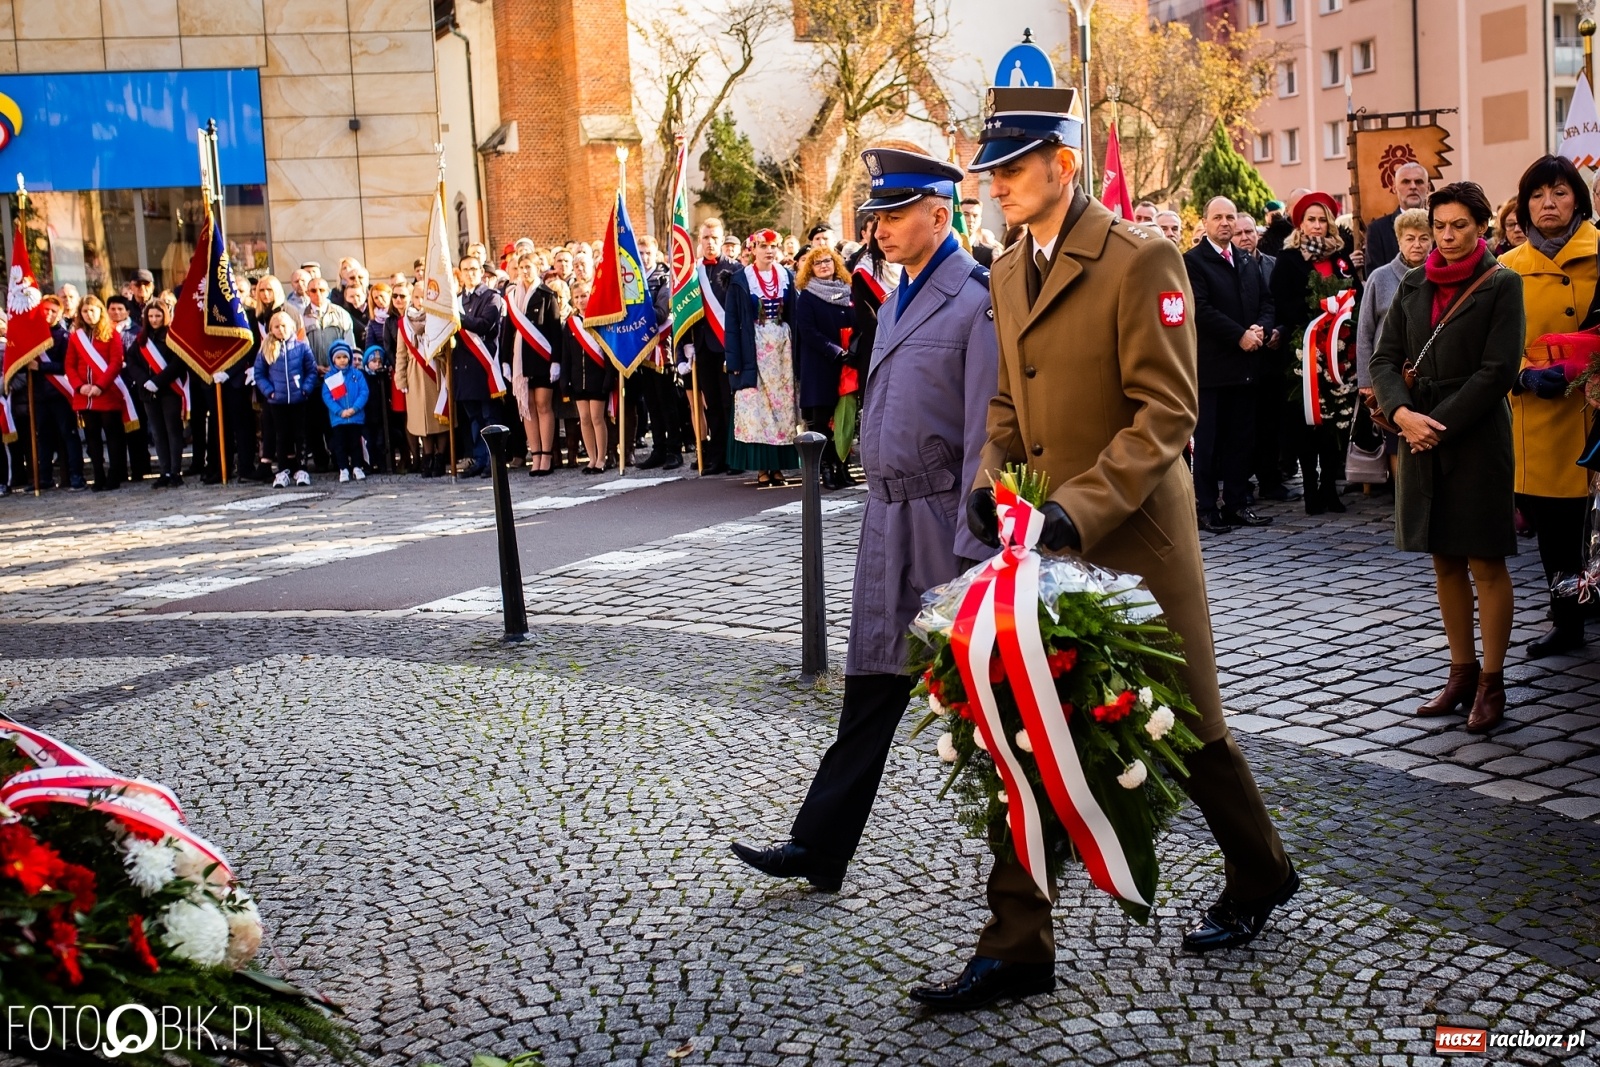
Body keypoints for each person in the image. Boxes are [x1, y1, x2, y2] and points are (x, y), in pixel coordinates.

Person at [936, 84, 1296, 1011]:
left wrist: (1076, 509)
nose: (998, 186)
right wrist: (991, 486)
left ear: (1063, 166)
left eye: (1013, 169)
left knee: (1192, 727)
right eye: (991, 173)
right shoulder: (1009, 269)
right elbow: (1009, 407)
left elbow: (1167, 412)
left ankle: (1259, 871)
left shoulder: (1141, 257)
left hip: (1135, 533)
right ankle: (1018, 941)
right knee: (1034, 730)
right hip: (1047, 543)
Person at [731, 145, 998, 911]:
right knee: (871, 688)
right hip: (887, 519)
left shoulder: (974, 298)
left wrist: (972, 550)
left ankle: (1044, 849)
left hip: (944, 524)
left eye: (893, 214)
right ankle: (819, 845)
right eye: (874, 215)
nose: (877, 228)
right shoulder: (899, 291)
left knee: (990, 701)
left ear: (938, 215)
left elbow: (984, 429)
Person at [1370, 182, 1524, 731]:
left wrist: (1438, 425)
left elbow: (1499, 370)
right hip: (1418, 434)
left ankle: (1491, 681)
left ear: (1482, 226)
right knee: (1443, 558)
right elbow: (1385, 359)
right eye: (1440, 226)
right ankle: (1460, 672)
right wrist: (1405, 415)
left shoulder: (1503, 284)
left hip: (1476, 436)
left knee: (1484, 558)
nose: (1449, 236)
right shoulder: (1412, 283)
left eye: (1460, 225)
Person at [1501, 155, 1598, 659]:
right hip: (1538, 415)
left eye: (1559, 192)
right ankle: (1567, 619)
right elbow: (1491, 342)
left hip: (1595, 409)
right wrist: (1521, 371)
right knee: (1557, 531)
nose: (1548, 204)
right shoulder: (1509, 266)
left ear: (1577, 198)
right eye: (1537, 195)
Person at [1184, 196, 1276, 532]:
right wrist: (1239, 334)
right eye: (1218, 217)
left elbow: (1266, 300)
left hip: (1245, 367)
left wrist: (1261, 328)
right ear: (1205, 223)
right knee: (1207, 444)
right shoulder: (1193, 261)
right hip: (1211, 369)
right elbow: (1201, 309)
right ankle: (1206, 508)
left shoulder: (1246, 260)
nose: (1225, 223)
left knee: (1241, 440)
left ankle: (1237, 503)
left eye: (1230, 217)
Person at [1270, 190, 1360, 515]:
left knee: (1335, 419)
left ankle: (1329, 489)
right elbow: (1282, 301)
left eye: (1323, 220)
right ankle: (1310, 488)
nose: (1318, 226)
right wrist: (1320, 313)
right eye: (1312, 220)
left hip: (1338, 352)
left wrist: (1341, 317)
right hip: (1304, 352)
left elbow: (1355, 293)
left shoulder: (1340, 258)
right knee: (1308, 421)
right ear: (1300, 223)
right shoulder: (1288, 259)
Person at [1356, 207, 1432, 479]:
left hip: (1428, 373)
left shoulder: (1438, 275)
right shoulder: (1380, 276)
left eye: (1424, 238)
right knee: (1395, 440)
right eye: (1410, 238)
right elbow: (1365, 331)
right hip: (1389, 372)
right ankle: (1399, 498)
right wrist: (1365, 379)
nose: (1417, 244)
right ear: (1399, 240)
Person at [723, 229, 801, 486]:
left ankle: (778, 466)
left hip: (782, 352)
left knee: (781, 408)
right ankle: (761, 467)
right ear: (752, 249)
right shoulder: (740, 280)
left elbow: (794, 316)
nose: (769, 250)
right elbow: (732, 324)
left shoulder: (786, 276)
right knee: (757, 408)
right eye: (764, 245)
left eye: (773, 246)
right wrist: (733, 362)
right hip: (753, 349)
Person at [792, 246, 855, 489]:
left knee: (845, 420)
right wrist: (835, 351)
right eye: (817, 263)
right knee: (822, 423)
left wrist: (853, 350)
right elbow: (808, 332)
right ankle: (827, 469)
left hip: (845, 366)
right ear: (810, 269)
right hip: (820, 366)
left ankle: (843, 467)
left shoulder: (847, 291)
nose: (824, 265)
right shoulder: (807, 296)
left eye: (828, 261)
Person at [684, 219, 740, 475]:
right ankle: (716, 456)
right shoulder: (692, 273)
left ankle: (734, 456)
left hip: (727, 347)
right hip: (703, 347)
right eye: (706, 238)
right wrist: (686, 345)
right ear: (699, 240)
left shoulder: (735, 270)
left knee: (730, 404)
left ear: (722, 239)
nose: (710, 243)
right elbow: (684, 311)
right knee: (713, 405)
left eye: (715, 238)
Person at [502, 250, 562, 476]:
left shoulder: (547, 295)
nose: (524, 272)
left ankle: (546, 456)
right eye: (521, 267)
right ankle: (535, 454)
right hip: (520, 361)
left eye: (529, 267)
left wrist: (556, 360)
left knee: (542, 405)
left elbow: (555, 330)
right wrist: (505, 361)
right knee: (527, 408)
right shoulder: (513, 295)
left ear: (537, 268)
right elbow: (508, 330)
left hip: (542, 359)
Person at [65, 296, 133, 492]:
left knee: (112, 436)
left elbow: (115, 363)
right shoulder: (75, 337)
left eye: (92, 311)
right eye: (85, 311)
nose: (89, 315)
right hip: (84, 395)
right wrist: (80, 386)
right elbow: (69, 365)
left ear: (100, 312)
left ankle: (115, 474)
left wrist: (100, 386)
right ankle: (98, 475)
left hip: (106, 392)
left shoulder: (111, 334)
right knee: (92, 437)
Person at [452, 255, 507, 478]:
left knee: (488, 417)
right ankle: (479, 459)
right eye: (465, 270)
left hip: (484, 366)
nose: (470, 273)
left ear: (481, 272)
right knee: (473, 418)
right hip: (462, 368)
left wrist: (459, 318)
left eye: (474, 269)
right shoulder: (456, 300)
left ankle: (493, 462)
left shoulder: (491, 297)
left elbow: (485, 325)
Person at [253, 308, 319, 487]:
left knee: (300, 435)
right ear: (271, 329)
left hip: (299, 399)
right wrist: (270, 391)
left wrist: (305, 389)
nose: (280, 329)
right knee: (282, 435)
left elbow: (311, 370)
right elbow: (259, 373)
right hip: (278, 401)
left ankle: (302, 468)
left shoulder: (301, 347)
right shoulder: (266, 349)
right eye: (276, 326)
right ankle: (282, 470)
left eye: (283, 326)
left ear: (291, 327)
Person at [394, 283, 449, 477]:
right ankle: (427, 457)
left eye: (425, 297)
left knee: (440, 419)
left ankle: (440, 458)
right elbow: (401, 354)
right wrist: (400, 379)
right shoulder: (404, 323)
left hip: (437, 373)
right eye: (417, 297)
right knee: (423, 422)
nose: (421, 301)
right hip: (415, 375)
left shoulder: (440, 319)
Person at [132, 302, 188, 488]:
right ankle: (164, 471)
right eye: (151, 316)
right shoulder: (141, 338)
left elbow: (178, 363)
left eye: (158, 316)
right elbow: (131, 360)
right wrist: (144, 381)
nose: (154, 320)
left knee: (173, 431)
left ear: (165, 316)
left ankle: (175, 471)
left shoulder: (173, 337)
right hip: (148, 392)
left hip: (169, 390)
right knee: (157, 432)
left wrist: (157, 382)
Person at [34, 297, 85, 490]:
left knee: (69, 435)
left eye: (53, 311)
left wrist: (41, 366)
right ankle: (44, 478)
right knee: (44, 437)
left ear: (60, 313)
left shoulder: (64, 337)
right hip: (40, 396)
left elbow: (66, 365)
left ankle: (76, 476)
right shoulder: (34, 336)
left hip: (60, 394)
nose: (48, 314)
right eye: (45, 310)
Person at [1364, 162, 1432, 269]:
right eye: (1406, 182)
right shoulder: (1377, 230)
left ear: (1428, 188)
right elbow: (1376, 279)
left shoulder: (1439, 226)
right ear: (1394, 188)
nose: (1413, 186)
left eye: (1419, 182)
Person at [321, 340, 369, 483]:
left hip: (355, 417)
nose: (342, 360)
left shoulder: (357, 375)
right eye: (338, 357)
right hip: (339, 419)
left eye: (345, 357)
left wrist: (355, 408)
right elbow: (327, 397)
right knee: (340, 445)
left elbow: (364, 392)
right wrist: (340, 411)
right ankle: (343, 468)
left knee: (355, 443)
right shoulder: (330, 377)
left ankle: (357, 466)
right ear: (333, 359)